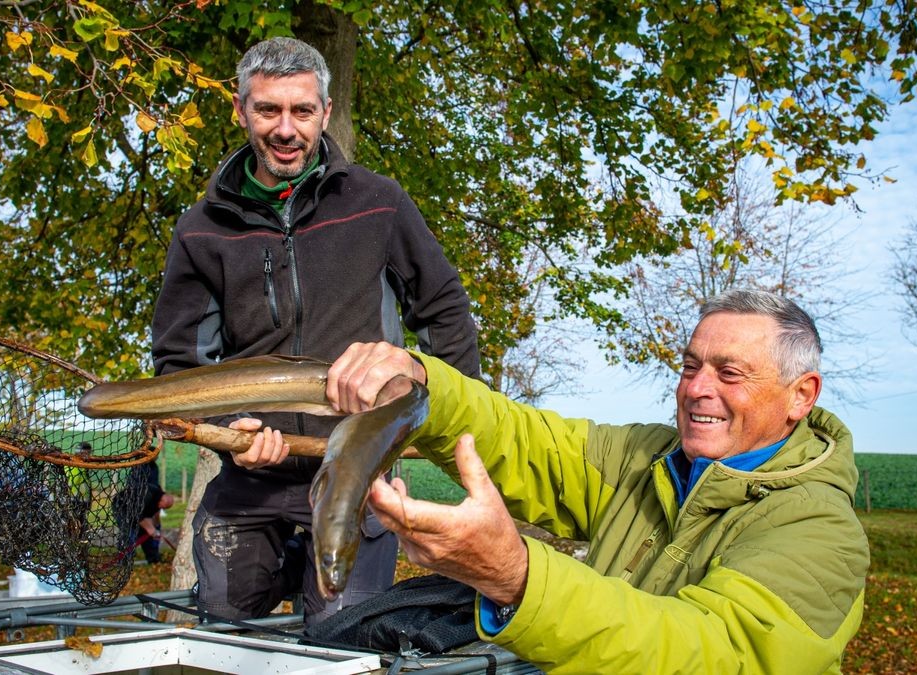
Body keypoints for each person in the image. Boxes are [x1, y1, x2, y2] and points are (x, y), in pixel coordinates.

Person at [319, 289, 868, 672]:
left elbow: (707, 655)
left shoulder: (821, 532)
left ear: (802, 395)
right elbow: (527, 440)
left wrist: (519, 578)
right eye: (690, 366)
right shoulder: (648, 457)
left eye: (730, 373)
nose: (697, 389)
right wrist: (423, 382)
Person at [150, 36, 481, 625]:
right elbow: (179, 364)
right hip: (248, 479)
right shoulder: (200, 230)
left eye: (302, 110)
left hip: (353, 477)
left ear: (325, 112)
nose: (285, 129)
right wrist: (232, 429)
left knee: (341, 639)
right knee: (226, 624)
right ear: (240, 108)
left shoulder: (378, 201)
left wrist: (438, 423)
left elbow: (445, 314)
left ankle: (321, 598)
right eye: (268, 110)